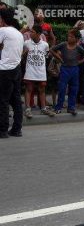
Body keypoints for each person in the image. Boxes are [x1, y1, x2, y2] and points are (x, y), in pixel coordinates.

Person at [50, 29, 84, 115]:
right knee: (62, 88)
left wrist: (80, 62)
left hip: (74, 69)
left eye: (71, 37)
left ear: (77, 39)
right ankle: (58, 107)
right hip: (64, 69)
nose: (69, 38)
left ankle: (71, 107)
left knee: (74, 89)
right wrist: (59, 58)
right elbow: (52, 50)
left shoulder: (78, 47)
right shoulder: (63, 45)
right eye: (68, 36)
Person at [0, 8, 24, 138]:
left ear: (2, 19)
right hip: (16, 69)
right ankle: (16, 129)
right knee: (16, 100)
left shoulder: (3, 31)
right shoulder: (18, 33)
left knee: (3, 101)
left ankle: (2, 130)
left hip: (4, 70)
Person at [23, 24, 54, 118]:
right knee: (28, 89)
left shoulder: (45, 45)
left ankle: (43, 108)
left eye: (32, 32)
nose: (30, 33)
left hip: (41, 71)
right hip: (30, 70)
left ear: (38, 33)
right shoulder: (26, 43)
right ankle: (28, 109)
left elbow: (46, 57)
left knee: (42, 90)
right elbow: (23, 56)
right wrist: (25, 53)